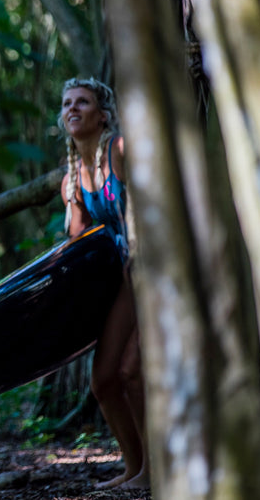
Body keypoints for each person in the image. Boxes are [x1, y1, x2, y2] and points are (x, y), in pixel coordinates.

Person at [57, 77, 148, 490]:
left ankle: (156, 468)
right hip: (119, 280)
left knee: (131, 372)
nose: (72, 108)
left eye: (83, 102)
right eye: (67, 104)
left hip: (148, 272)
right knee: (104, 379)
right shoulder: (72, 178)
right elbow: (78, 243)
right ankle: (134, 468)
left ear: (103, 114)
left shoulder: (121, 152)